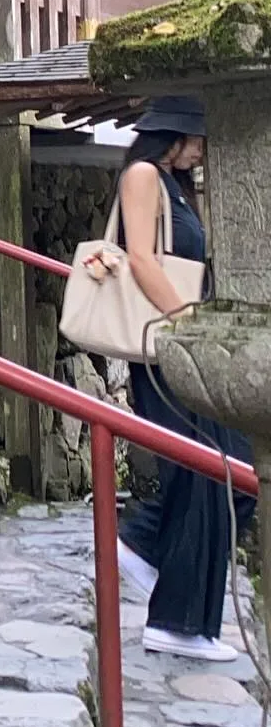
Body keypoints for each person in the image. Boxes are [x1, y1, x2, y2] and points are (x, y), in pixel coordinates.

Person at [115, 96, 254, 663]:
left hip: (181, 347)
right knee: (209, 472)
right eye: (195, 136)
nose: (201, 146)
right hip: (167, 348)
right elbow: (142, 258)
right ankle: (177, 620)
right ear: (170, 133)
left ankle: (144, 545)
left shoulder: (174, 183)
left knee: (233, 467)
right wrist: (189, 322)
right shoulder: (144, 174)